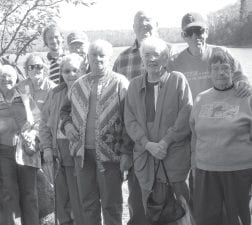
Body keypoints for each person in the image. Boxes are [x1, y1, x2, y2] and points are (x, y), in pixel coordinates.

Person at [167, 11, 251, 208]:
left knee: (224, 191)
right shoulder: (174, 62)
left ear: (207, 32)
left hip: (218, 131)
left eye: (200, 31)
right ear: (183, 36)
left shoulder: (220, 53)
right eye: (190, 32)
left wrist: (244, 84)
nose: (196, 36)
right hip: (186, 130)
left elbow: (240, 76)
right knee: (189, 186)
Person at [60, 40, 131, 225]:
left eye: (102, 56)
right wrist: (67, 126)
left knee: (111, 204)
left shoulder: (120, 83)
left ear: (109, 58)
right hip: (82, 155)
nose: (98, 59)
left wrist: (126, 152)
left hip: (110, 155)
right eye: (94, 55)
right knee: (88, 204)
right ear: (88, 58)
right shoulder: (78, 84)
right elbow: (64, 111)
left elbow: (130, 120)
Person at [124, 37, 193, 219]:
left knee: (183, 207)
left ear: (165, 58)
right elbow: (130, 121)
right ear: (142, 59)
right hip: (145, 157)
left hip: (175, 155)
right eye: (147, 55)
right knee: (152, 210)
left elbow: (186, 113)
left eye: (157, 54)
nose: (152, 59)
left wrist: (165, 142)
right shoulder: (134, 86)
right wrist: (148, 144)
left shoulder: (178, 80)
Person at [189, 50, 252, 225]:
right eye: (215, 68)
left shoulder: (247, 98)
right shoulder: (201, 99)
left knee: (239, 220)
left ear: (233, 71)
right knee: (206, 220)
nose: (220, 73)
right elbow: (194, 136)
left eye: (225, 68)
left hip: (239, 172)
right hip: (205, 172)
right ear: (209, 73)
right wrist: (194, 166)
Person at [0, 65, 41, 225]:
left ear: (16, 78)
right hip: (1, 154)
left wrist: (33, 134)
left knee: (30, 195)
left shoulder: (24, 97)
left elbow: (39, 121)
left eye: (9, 76)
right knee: (7, 196)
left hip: (26, 152)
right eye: (2, 77)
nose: (6, 80)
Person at [112, 10, 159, 225]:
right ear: (134, 28)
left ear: (157, 26)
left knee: (166, 195)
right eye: (141, 24)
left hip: (164, 140)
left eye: (149, 23)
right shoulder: (122, 59)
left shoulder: (168, 55)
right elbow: (114, 105)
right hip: (133, 140)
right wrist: (121, 147)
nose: (146, 27)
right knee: (137, 196)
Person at [40, 53, 85, 225]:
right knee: (61, 199)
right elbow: (44, 124)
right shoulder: (55, 93)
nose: (71, 74)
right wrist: (47, 148)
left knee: (80, 198)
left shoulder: (88, 91)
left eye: (75, 70)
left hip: (80, 154)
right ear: (61, 73)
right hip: (58, 153)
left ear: (82, 70)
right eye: (67, 71)